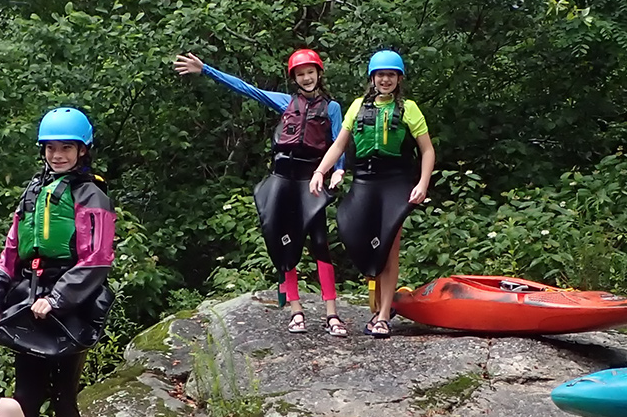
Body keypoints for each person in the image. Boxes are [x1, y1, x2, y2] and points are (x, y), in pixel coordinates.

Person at [0, 107, 116, 417]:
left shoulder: (92, 194)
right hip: (29, 300)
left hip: (70, 305)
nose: (58, 155)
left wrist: (57, 299)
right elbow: (9, 254)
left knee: (63, 399)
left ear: (82, 149)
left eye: (66, 148)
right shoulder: (33, 192)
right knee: (24, 401)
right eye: (52, 148)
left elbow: (97, 259)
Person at [174, 49, 348, 336]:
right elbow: (246, 88)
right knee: (286, 243)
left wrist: (339, 168)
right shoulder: (286, 102)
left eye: (310, 72)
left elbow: (339, 139)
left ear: (319, 74)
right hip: (283, 180)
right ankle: (296, 311)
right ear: (294, 78)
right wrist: (206, 69)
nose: (306, 78)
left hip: (311, 180)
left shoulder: (331, 108)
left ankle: (331, 313)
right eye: (300, 74)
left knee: (320, 242)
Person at [309, 50, 435, 339]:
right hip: (365, 181)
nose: (385, 79)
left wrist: (422, 183)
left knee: (390, 245)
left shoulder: (409, 108)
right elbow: (339, 146)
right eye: (381, 75)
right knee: (357, 237)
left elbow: (427, 151)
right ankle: (379, 304)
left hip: (396, 183)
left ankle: (382, 316)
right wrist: (320, 171)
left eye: (391, 75)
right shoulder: (357, 107)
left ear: (399, 78)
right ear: (372, 78)